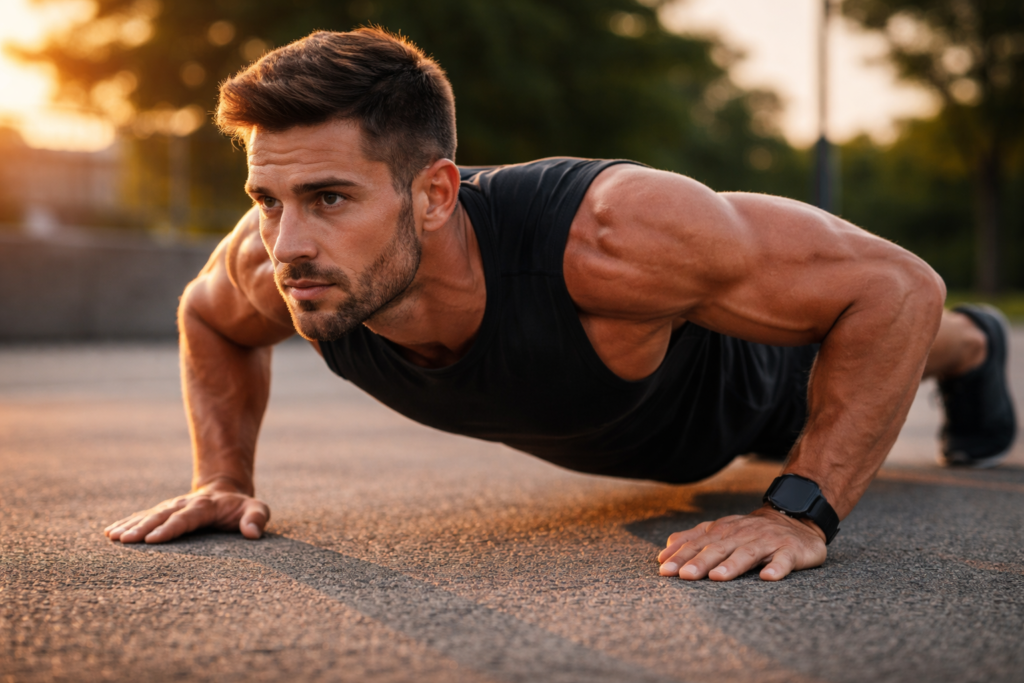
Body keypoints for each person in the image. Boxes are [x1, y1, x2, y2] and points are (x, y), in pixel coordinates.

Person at [104, 28, 1016, 582]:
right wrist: (222, 479)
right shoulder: (285, 264)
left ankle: (976, 348)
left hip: (758, 379)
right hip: (654, 427)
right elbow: (210, 317)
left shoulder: (614, 233)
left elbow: (894, 287)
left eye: (330, 198)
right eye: (268, 199)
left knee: (898, 341)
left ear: (433, 193)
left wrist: (797, 512)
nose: (287, 241)